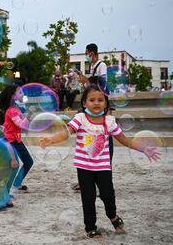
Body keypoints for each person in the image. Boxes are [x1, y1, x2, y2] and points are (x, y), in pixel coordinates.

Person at [39, 84, 160, 239]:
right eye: (92, 100)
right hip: (84, 167)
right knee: (88, 198)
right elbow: (66, 132)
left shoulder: (109, 121)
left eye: (100, 100)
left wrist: (144, 149)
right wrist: (51, 139)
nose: (96, 103)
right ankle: (91, 228)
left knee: (108, 195)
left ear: (106, 103)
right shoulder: (80, 118)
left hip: (103, 167)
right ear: (84, 103)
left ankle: (113, 216)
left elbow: (124, 140)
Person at [73, 43, 111, 191]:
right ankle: (84, 179)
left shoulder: (102, 65)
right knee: (87, 140)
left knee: (101, 139)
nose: (87, 56)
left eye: (87, 53)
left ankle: (99, 177)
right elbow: (90, 89)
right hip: (91, 106)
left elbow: (101, 85)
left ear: (93, 52)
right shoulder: (93, 67)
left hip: (99, 107)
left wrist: (87, 81)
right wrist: (85, 82)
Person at [0, 85, 34, 194]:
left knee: (28, 161)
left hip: (17, 140)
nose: (22, 94)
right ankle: (5, 191)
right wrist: (29, 114)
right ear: (13, 96)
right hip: (10, 142)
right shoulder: (11, 111)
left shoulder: (16, 108)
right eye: (20, 92)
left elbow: (23, 124)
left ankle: (16, 184)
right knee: (13, 165)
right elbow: (21, 124)